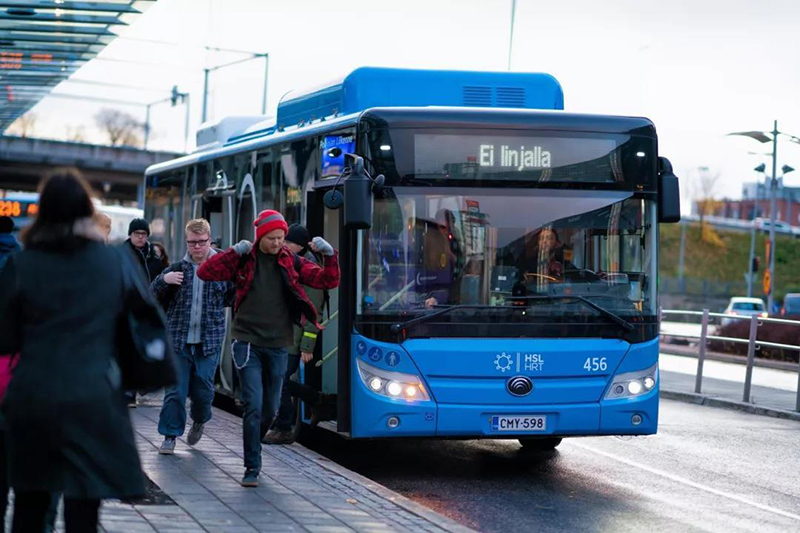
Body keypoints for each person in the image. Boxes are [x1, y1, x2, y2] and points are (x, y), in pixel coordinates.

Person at [0, 172, 145, 532]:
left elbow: (3, 336)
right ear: (85, 211)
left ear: (43, 212)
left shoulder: (23, 264)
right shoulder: (113, 263)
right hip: (93, 397)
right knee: (84, 502)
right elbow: (143, 331)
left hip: (34, 396)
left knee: (31, 501)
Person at [197, 210, 340, 487]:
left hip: (278, 345)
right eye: (273, 238)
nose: (278, 243)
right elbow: (206, 272)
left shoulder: (292, 262)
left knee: (271, 409)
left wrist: (330, 255)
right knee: (253, 404)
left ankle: (254, 444)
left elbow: (327, 281)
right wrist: (231, 252)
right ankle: (252, 464)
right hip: (247, 342)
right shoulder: (244, 259)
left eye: (281, 238)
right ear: (260, 236)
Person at [151, 219, 235, 455]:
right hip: (178, 341)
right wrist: (162, 280)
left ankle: (199, 420)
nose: (197, 247)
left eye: (201, 242)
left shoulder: (222, 269)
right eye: (192, 243)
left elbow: (233, 298)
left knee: (203, 392)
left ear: (210, 240)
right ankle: (169, 435)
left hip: (208, 343)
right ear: (187, 242)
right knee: (175, 392)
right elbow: (150, 294)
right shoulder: (177, 269)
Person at [263, 224, 335, 445]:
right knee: (276, 379)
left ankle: (284, 426)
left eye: (287, 242)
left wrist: (307, 346)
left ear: (300, 246)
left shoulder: (308, 267)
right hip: (283, 334)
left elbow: (315, 309)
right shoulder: (287, 262)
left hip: (295, 339)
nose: (282, 245)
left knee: (280, 381)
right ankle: (315, 399)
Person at [124, 217, 166, 283]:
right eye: (137, 233)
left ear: (147, 236)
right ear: (130, 235)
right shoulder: (121, 256)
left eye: (143, 234)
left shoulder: (154, 258)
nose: (140, 237)